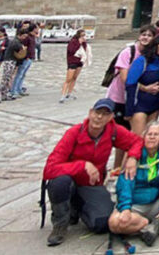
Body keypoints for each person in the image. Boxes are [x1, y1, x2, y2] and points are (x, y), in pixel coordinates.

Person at [42, 99, 142, 247]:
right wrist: (83, 165)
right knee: (59, 182)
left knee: (103, 223)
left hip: (91, 185)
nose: (99, 117)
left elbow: (137, 141)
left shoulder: (113, 131)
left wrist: (132, 157)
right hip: (69, 181)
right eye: (97, 112)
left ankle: (77, 208)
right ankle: (60, 224)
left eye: (105, 114)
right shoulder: (74, 133)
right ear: (90, 113)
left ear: (110, 118)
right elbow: (49, 169)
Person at [108, 121, 159, 246]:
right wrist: (125, 208)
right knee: (114, 223)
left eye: (156, 134)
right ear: (144, 136)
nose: (152, 137)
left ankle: (156, 224)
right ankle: (150, 225)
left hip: (155, 202)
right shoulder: (135, 156)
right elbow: (125, 184)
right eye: (149, 134)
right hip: (134, 206)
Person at [107, 26, 156, 165]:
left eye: (149, 35)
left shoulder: (150, 55)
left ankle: (127, 166)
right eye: (144, 34)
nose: (146, 37)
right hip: (119, 98)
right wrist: (145, 88)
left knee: (132, 135)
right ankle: (117, 167)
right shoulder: (128, 52)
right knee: (120, 137)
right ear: (139, 36)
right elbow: (125, 78)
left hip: (134, 100)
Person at [126, 34, 159, 138]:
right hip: (139, 105)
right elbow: (130, 84)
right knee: (138, 140)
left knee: (149, 140)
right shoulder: (142, 61)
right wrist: (128, 111)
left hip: (155, 106)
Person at [0, 27, 30, 103]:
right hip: (9, 61)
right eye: (24, 36)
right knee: (5, 79)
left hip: (12, 61)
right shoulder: (15, 42)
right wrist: (23, 48)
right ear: (20, 35)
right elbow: (20, 50)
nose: (24, 38)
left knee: (8, 79)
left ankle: (4, 94)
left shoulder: (17, 41)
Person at [60, 30, 91, 103]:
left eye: (84, 35)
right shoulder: (73, 42)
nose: (83, 37)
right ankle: (63, 95)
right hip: (72, 62)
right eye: (82, 35)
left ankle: (69, 93)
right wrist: (79, 43)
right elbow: (71, 51)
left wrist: (83, 43)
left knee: (74, 78)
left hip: (79, 62)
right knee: (68, 79)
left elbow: (84, 51)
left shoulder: (84, 43)